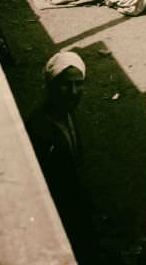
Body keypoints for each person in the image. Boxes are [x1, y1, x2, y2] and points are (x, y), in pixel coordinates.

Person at [26, 51, 89, 258]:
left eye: (78, 84)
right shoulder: (38, 129)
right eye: (65, 85)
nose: (73, 91)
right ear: (51, 85)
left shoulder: (67, 115)